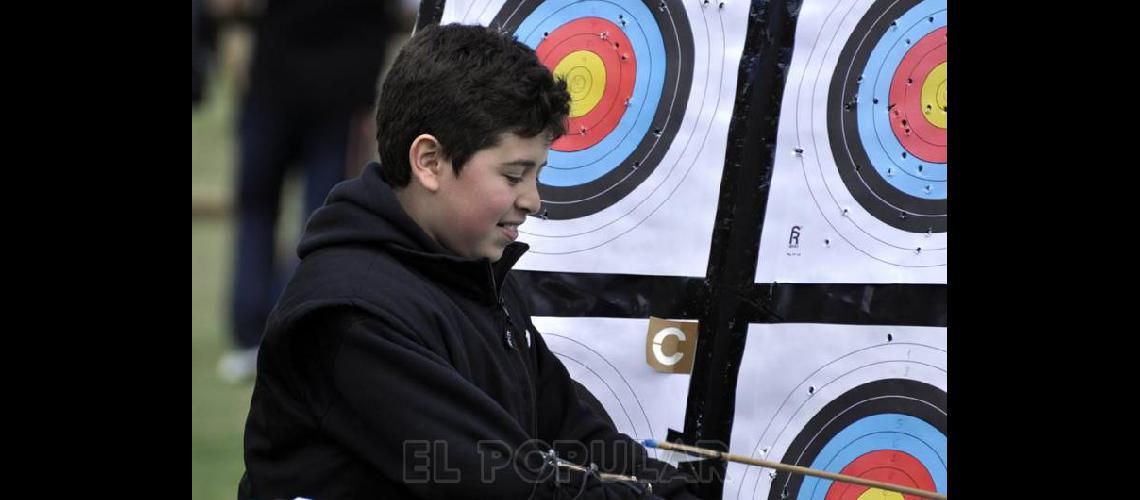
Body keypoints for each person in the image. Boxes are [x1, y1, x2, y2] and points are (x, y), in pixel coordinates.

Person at [239, 23, 699, 498]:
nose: (533, 200)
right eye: (514, 174)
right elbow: (503, 484)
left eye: (537, 174)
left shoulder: (473, 275)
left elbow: (577, 434)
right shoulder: (352, 314)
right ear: (430, 161)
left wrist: (671, 488)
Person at [218, 0, 394, 383]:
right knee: (314, 219)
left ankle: (262, 333)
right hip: (325, 88)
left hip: (285, 83)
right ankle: (280, 330)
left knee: (274, 215)